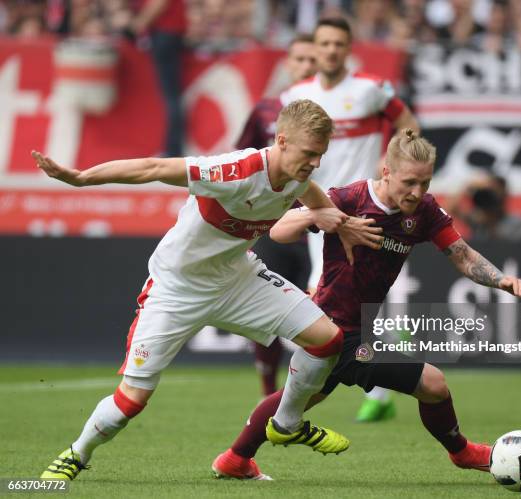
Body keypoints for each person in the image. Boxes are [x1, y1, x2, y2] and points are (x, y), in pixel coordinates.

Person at [33, 99, 385, 481]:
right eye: (310, 154)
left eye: (320, 155)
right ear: (282, 141)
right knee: (131, 400)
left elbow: (311, 191)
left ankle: (286, 423)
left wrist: (341, 222)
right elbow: (153, 167)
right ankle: (76, 454)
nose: (315, 162)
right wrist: (82, 178)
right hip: (177, 289)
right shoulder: (233, 171)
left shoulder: (298, 173)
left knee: (327, 340)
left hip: (237, 280)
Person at [211, 129, 521, 480]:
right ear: (387, 172)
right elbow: (279, 230)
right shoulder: (348, 198)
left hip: (352, 329)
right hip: (333, 328)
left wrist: (499, 279)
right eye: (410, 182)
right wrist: (322, 216)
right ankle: (462, 452)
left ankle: (235, 458)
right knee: (433, 384)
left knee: (300, 398)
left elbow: (463, 255)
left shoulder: (424, 212)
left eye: (425, 183)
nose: (417, 192)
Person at [281, 16, 420, 422]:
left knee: (326, 304)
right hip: (320, 209)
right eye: (324, 44)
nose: (330, 51)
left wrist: (389, 162)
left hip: (364, 208)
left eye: (338, 44)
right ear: (316, 47)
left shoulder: (370, 89)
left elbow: (408, 123)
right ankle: (382, 364)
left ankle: (303, 400)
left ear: (347, 48)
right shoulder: (297, 96)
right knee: (334, 305)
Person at [235, 33, 317, 397]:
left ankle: (308, 389)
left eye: (311, 60)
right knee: (268, 316)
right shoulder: (266, 110)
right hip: (276, 227)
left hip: (322, 226)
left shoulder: (339, 114)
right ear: (288, 64)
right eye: (299, 59)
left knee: (321, 312)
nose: (306, 66)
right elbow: (241, 160)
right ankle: (268, 389)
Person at [131, 0, 187, 157]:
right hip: (168, 32)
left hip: (165, 32)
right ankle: (173, 148)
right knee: (172, 95)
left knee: (171, 96)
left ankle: (173, 150)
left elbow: (159, 3)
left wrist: (138, 23)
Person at [447, 173, 521, 242]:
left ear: (504, 194)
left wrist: (490, 222)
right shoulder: (477, 218)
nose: (492, 197)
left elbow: (511, 249)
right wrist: (466, 187)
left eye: (495, 192)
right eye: (489, 192)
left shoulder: (518, 223)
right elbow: (451, 209)